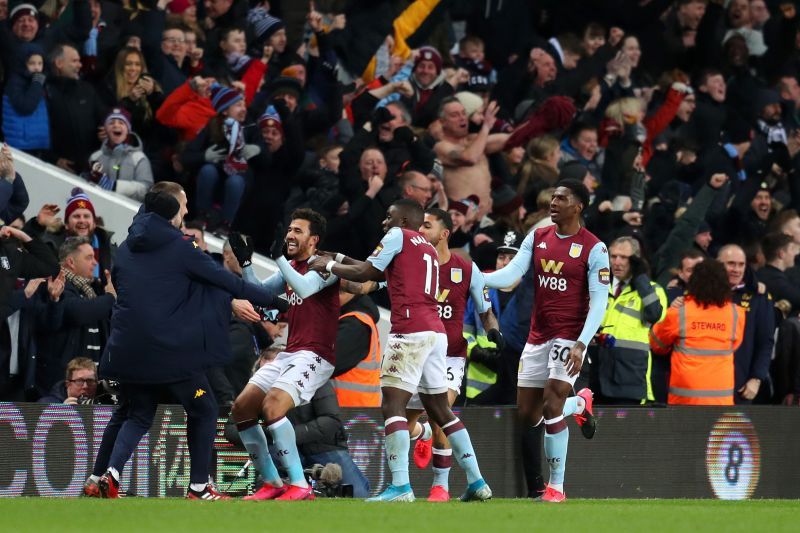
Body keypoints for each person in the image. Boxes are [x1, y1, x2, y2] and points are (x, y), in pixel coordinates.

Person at [95, 182, 282, 501]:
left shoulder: (126, 247)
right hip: (170, 348)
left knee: (138, 413)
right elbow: (226, 282)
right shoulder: (180, 248)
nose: (186, 213)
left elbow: (145, 290)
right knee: (204, 408)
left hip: (128, 347)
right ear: (171, 213)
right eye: (183, 208)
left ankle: (106, 475)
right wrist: (285, 303)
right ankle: (199, 487)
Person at [310, 199, 492, 502]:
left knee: (393, 405)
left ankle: (400, 487)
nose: (384, 222)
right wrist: (339, 255)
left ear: (405, 220)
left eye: (389, 216)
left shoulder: (397, 236)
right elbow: (381, 273)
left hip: (409, 331)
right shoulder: (425, 247)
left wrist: (327, 265)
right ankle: (476, 481)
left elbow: (368, 272)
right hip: (436, 334)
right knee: (440, 410)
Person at [483, 179, 610, 502]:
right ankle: (580, 403)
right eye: (552, 197)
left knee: (551, 406)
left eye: (561, 198)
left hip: (570, 335)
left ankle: (556, 487)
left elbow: (599, 302)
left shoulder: (595, 248)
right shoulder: (538, 237)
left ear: (578, 206)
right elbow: (511, 275)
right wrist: (476, 276)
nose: (553, 202)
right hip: (537, 335)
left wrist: (582, 343)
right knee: (528, 413)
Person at [226, 208, 341, 501]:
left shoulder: (325, 264)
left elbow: (304, 290)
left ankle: (300, 484)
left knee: (273, 407)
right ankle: (273, 482)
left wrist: (278, 257)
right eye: (289, 229)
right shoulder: (290, 268)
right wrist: (247, 263)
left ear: (313, 239)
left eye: (297, 231)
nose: (290, 235)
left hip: (316, 355)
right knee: (242, 408)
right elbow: (258, 294)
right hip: (290, 353)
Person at [406, 208, 498, 502]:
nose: (420, 230)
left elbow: (485, 310)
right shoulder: (411, 265)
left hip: (450, 355)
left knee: (440, 413)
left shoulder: (467, 268)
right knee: (402, 423)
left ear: (444, 233)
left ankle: (440, 487)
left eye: (427, 226)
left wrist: (492, 330)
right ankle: (420, 434)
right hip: (417, 350)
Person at [649, 259, 745, 405]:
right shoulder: (736, 313)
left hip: (684, 401)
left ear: (694, 283)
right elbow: (735, 345)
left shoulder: (679, 312)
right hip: (721, 400)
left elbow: (656, 344)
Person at [597, 237, 666, 404]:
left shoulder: (653, 290)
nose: (617, 262)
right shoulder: (599, 287)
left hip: (630, 379)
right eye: (613, 256)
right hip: (598, 375)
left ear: (635, 260)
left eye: (624, 257)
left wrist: (640, 277)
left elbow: (654, 314)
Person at [717, 244, 774, 404]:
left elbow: (765, 341)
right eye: (731, 264)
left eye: (741, 264)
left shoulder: (758, 297)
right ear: (717, 265)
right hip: (708, 383)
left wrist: (756, 378)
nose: (736, 269)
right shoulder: (705, 294)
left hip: (741, 384)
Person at [38, 356, 112, 404]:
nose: (85, 386)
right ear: (67, 384)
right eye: (79, 381)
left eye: (90, 381)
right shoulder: (46, 404)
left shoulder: (104, 402)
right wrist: (60, 414)